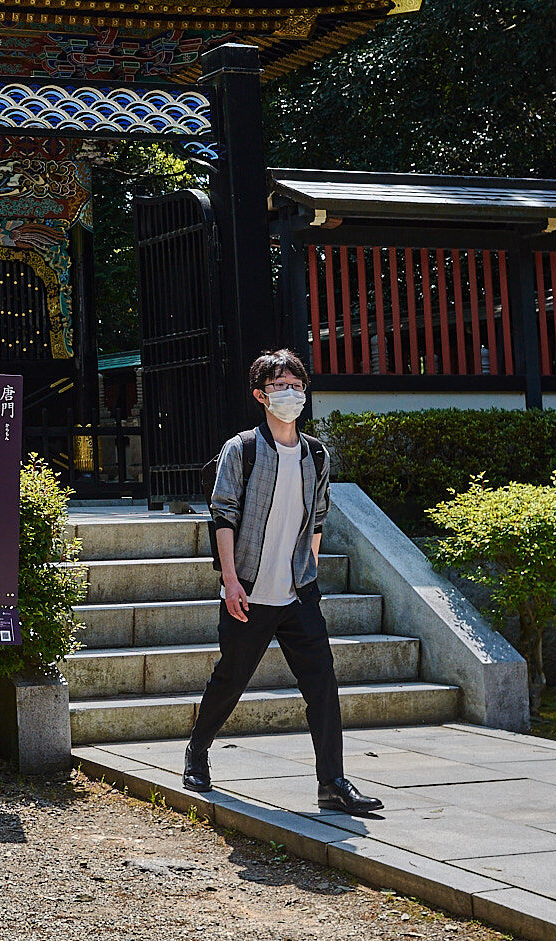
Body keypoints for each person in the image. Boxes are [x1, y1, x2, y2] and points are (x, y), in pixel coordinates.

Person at [182, 349, 383, 814]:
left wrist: (306, 575)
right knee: (231, 678)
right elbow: (223, 517)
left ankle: (332, 782)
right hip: (248, 592)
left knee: (322, 685)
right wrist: (231, 582)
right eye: (279, 386)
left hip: (297, 593)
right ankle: (198, 751)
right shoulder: (243, 450)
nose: (290, 393)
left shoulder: (316, 453)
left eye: (296, 385)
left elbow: (317, 519)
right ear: (260, 395)